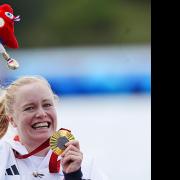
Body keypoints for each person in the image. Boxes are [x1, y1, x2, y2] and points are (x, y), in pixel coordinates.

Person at [0, 76, 108, 180]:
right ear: (12, 120)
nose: (41, 114)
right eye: (30, 108)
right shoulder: (3, 157)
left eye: (47, 105)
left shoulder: (85, 165)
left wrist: (73, 176)